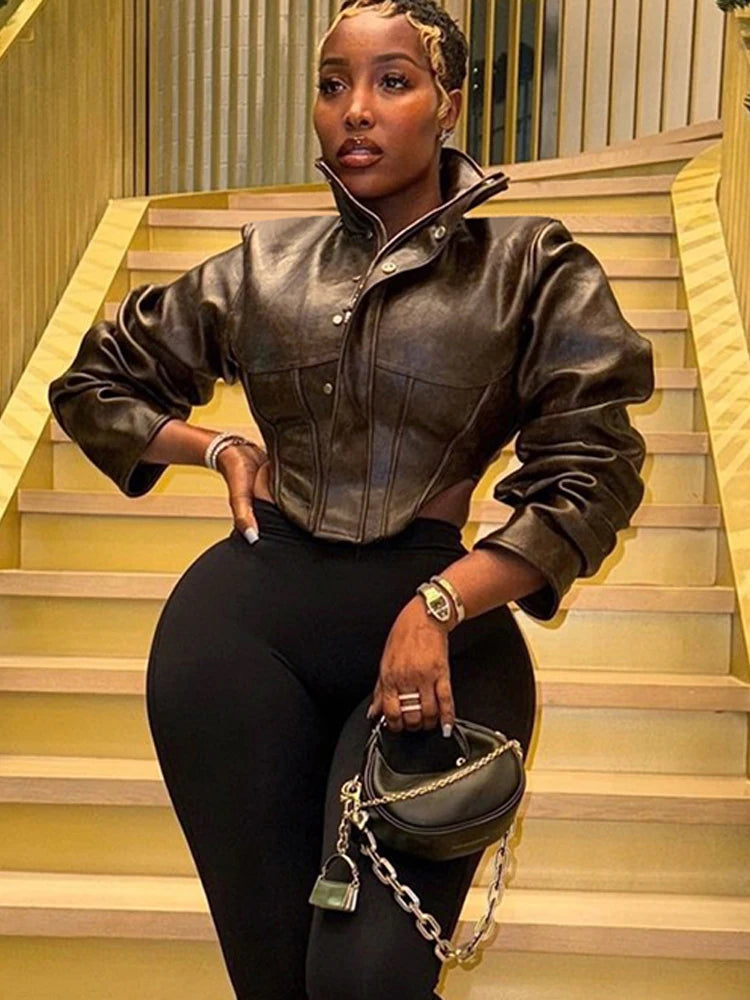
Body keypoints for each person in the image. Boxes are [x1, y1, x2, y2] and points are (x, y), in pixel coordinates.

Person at [47, 1, 654, 997]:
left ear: (448, 103)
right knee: (274, 981)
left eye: (392, 81)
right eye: (333, 86)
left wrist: (441, 603)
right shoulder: (263, 264)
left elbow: (595, 469)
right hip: (238, 642)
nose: (356, 110)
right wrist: (216, 445)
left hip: (443, 651)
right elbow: (93, 385)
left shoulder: (531, 267)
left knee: (365, 982)